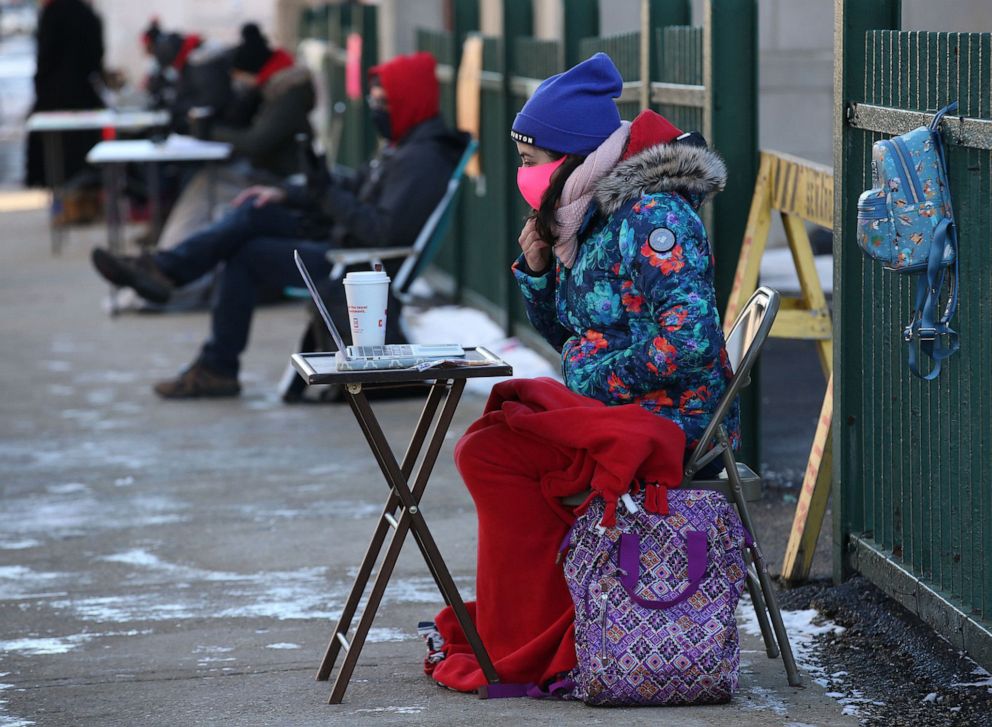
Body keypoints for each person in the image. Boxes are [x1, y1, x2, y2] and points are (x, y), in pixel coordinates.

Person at [424, 53, 739, 693]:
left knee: (495, 456)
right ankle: (533, 624)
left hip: (673, 421)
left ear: (573, 156)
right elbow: (576, 332)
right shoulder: (584, 215)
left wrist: (594, 379)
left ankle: (544, 638)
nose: (522, 173)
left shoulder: (652, 217)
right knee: (487, 444)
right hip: (625, 408)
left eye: (530, 159)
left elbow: (693, 345)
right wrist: (539, 274)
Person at [90, 51, 469, 399]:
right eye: (373, 101)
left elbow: (382, 232)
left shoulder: (422, 159)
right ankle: (168, 274)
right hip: (343, 242)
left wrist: (325, 193)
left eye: (385, 102)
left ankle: (203, 338)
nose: (377, 110)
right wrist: (289, 193)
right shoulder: (403, 145)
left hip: (360, 267)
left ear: (411, 100)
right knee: (257, 209)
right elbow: (353, 189)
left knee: (245, 255)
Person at [149, 22, 315, 259]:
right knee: (203, 184)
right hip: (267, 173)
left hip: (279, 178)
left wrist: (207, 132)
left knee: (207, 191)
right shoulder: (274, 89)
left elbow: (256, 141)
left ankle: (167, 259)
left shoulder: (288, 94)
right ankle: (166, 256)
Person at [25, 0, 105, 190]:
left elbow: (45, 56)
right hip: (82, 93)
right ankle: (81, 195)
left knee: (56, 154)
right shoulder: (87, 13)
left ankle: (62, 197)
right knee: (80, 151)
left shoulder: (52, 13)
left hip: (54, 95)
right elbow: (96, 55)